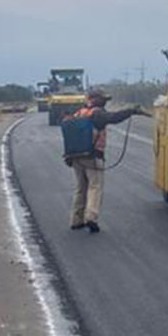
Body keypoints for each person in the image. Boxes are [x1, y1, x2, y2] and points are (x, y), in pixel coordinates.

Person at [62, 88, 143, 232]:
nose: (104, 102)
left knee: (80, 188)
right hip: (93, 156)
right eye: (103, 99)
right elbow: (114, 117)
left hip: (75, 158)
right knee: (95, 187)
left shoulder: (79, 113)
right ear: (95, 100)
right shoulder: (97, 114)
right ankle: (91, 218)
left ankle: (76, 220)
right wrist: (130, 111)